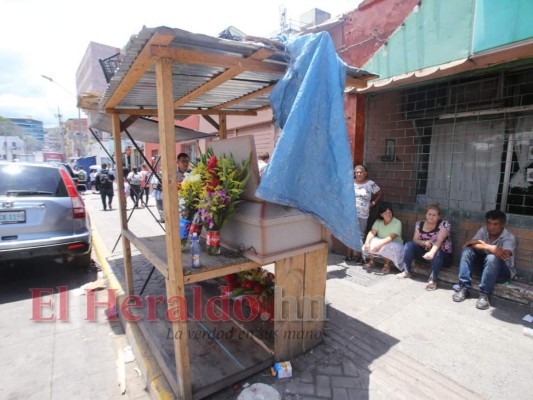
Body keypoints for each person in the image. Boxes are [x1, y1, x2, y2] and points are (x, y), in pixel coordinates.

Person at [452, 209, 516, 310]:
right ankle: (464, 288)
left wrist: (480, 244)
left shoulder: (508, 237)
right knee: (467, 250)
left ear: (503, 224)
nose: (491, 227)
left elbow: (505, 254)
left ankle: (484, 295)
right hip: (485, 269)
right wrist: (488, 247)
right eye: (489, 223)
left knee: (492, 257)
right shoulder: (483, 230)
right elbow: (469, 244)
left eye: (496, 224)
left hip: (502, 273)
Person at [398, 204, 452, 290]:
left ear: (439, 216)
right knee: (409, 245)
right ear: (426, 215)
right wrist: (424, 242)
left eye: (434, 215)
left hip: (441, 257)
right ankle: (406, 271)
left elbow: (439, 240)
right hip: (424, 254)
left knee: (437, 252)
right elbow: (415, 239)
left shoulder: (444, 224)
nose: (431, 217)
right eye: (429, 214)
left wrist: (431, 252)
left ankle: (433, 280)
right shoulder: (419, 224)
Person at [345, 164, 382, 264]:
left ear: (365, 173)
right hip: (351, 213)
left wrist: (373, 202)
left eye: (360, 172)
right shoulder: (351, 183)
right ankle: (348, 255)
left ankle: (359, 256)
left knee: (361, 234)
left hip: (363, 214)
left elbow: (379, 192)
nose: (358, 174)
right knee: (350, 233)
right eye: (356, 172)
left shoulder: (370, 184)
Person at [363, 202, 405, 275]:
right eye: (386, 213)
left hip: (395, 244)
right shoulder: (378, 221)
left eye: (390, 212)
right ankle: (372, 261)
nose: (388, 214)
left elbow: (391, 237)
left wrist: (379, 245)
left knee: (388, 245)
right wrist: (367, 242)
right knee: (371, 241)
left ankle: (387, 265)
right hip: (382, 241)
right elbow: (372, 232)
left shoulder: (397, 222)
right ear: (381, 214)